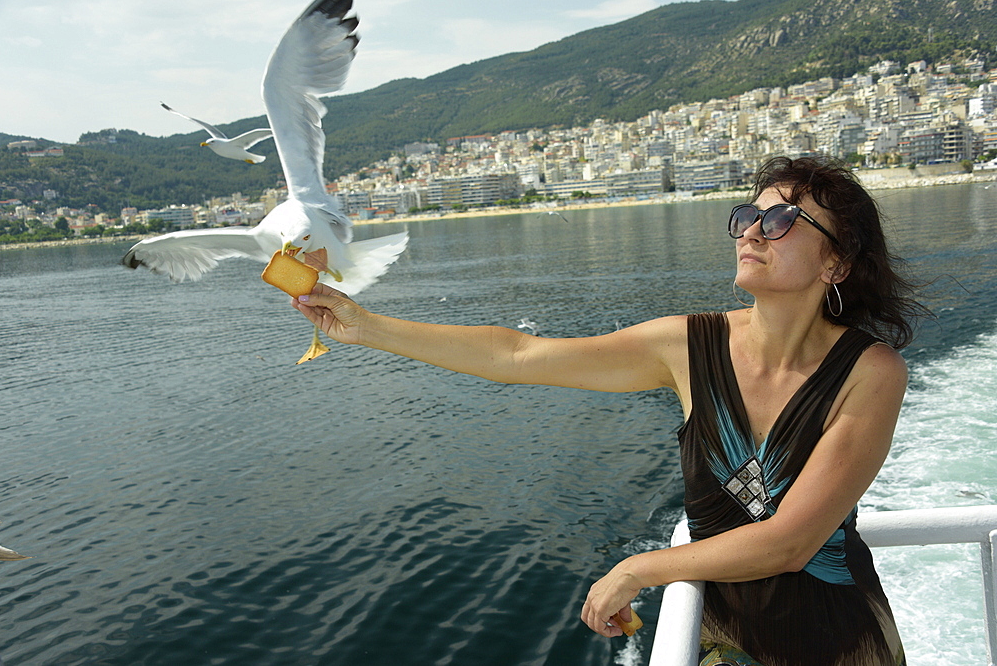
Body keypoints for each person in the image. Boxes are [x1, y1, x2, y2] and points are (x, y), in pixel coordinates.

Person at [292, 155, 924, 666]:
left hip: (842, 644)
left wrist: (637, 569)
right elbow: (517, 355)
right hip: (727, 646)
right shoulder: (686, 346)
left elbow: (790, 542)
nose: (753, 232)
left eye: (782, 220)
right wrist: (365, 326)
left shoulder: (870, 374)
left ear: (835, 261)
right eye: (747, 216)